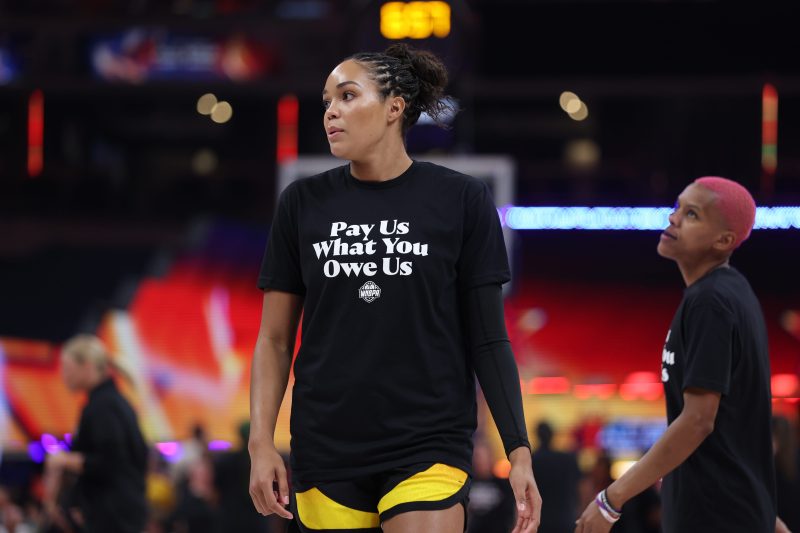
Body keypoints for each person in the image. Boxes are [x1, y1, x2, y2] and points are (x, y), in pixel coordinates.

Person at [248, 43, 540, 533]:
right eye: (327, 101)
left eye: (347, 95)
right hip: (326, 446)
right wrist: (260, 444)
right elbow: (274, 339)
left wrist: (518, 450)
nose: (331, 111)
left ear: (394, 107)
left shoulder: (462, 199)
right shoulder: (301, 202)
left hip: (427, 442)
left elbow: (489, 339)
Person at [575, 177, 788, 533]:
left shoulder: (711, 302)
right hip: (732, 515)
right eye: (677, 207)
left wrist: (611, 500)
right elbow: (735, 435)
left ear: (723, 241)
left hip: (712, 520)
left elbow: (698, 421)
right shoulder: (731, 293)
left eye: (692, 214)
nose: (673, 218)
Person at [44, 334, 148, 533]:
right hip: (121, 512)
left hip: (113, 517)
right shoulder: (112, 402)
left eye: (67, 367)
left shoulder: (103, 406)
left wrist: (63, 460)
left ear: (87, 367)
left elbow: (111, 461)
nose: (63, 375)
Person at [531, 422, 580, 533]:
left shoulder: (532, 460)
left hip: (540, 520)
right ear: (552, 435)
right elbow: (581, 487)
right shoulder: (567, 459)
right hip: (565, 519)